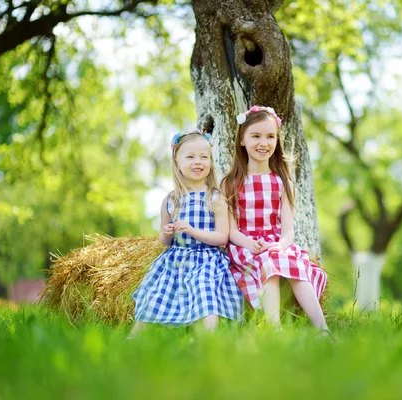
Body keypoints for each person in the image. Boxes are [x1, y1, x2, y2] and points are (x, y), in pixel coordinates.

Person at [222, 105, 329, 333]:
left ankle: (323, 329)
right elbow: (231, 231)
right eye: (256, 136)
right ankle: (274, 328)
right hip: (246, 245)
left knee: (292, 266)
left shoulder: (282, 182)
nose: (264, 142)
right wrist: (251, 244)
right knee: (269, 263)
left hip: (275, 243)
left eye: (270, 136)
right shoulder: (231, 183)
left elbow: (288, 231)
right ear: (242, 140)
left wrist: (280, 245)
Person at [130, 129, 243, 337]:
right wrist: (167, 233)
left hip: (206, 261)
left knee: (206, 294)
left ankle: (209, 338)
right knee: (156, 295)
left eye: (204, 157)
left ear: (210, 162)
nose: (197, 162)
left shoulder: (215, 198)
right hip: (175, 261)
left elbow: (221, 237)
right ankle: (134, 338)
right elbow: (163, 241)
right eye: (190, 157)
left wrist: (193, 231)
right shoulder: (170, 199)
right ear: (177, 162)